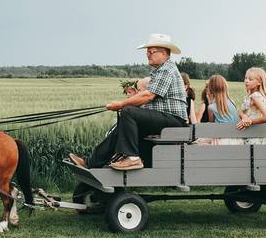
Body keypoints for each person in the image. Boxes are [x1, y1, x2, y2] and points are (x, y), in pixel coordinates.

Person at [69, 34, 187, 171]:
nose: (148, 54)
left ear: (165, 53)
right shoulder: (161, 70)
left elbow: (147, 96)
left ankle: (132, 158)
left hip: (174, 120)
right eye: (147, 52)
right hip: (164, 118)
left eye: (151, 51)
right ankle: (90, 162)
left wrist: (120, 104)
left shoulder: (167, 69)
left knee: (128, 111)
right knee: (121, 128)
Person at [238, 67, 266, 144]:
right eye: (246, 78)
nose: (246, 81)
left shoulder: (256, 97)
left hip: (255, 137)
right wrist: (244, 117)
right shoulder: (249, 96)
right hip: (249, 134)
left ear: (259, 82)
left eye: (250, 79)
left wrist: (250, 121)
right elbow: (240, 112)